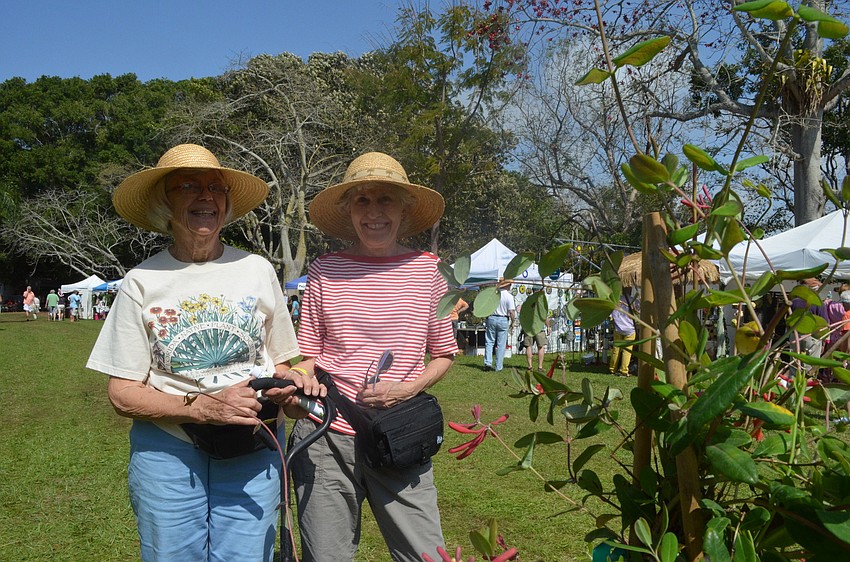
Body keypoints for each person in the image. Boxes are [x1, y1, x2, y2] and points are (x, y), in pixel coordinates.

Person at [86, 143, 321, 562]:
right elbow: (122, 392)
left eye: (216, 187)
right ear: (165, 203)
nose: (205, 196)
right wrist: (200, 409)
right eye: (188, 186)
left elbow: (281, 364)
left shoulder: (257, 269)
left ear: (226, 205)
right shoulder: (142, 280)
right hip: (169, 452)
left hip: (254, 445)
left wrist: (292, 390)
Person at [287, 151, 457, 561]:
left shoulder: (429, 270)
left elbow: (444, 354)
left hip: (401, 434)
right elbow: (307, 355)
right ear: (348, 211)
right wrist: (298, 377)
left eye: (385, 199)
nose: (374, 212)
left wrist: (408, 388)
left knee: (425, 555)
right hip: (325, 435)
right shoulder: (325, 270)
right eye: (362, 200)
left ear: (404, 208)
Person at [484, 281, 516, 372]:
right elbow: (512, 312)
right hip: (503, 319)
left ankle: (488, 362)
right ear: (508, 285)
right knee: (501, 344)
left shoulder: (494, 294)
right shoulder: (509, 296)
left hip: (492, 317)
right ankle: (498, 367)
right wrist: (512, 322)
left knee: (489, 341)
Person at [609, 287, 637, 377]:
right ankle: (624, 370)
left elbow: (611, 315)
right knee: (627, 351)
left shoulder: (616, 300)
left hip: (618, 328)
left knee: (616, 350)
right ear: (630, 290)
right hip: (630, 329)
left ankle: (612, 368)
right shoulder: (634, 300)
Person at [523, 290, 551, 372]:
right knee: (541, 347)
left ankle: (530, 366)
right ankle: (540, 367)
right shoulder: (541, 303)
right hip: (539, 328)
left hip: (528, 327)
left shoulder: (527, 301)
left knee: (528, 346)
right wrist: (548, 326)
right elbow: (544, 316)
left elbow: (523, 314)